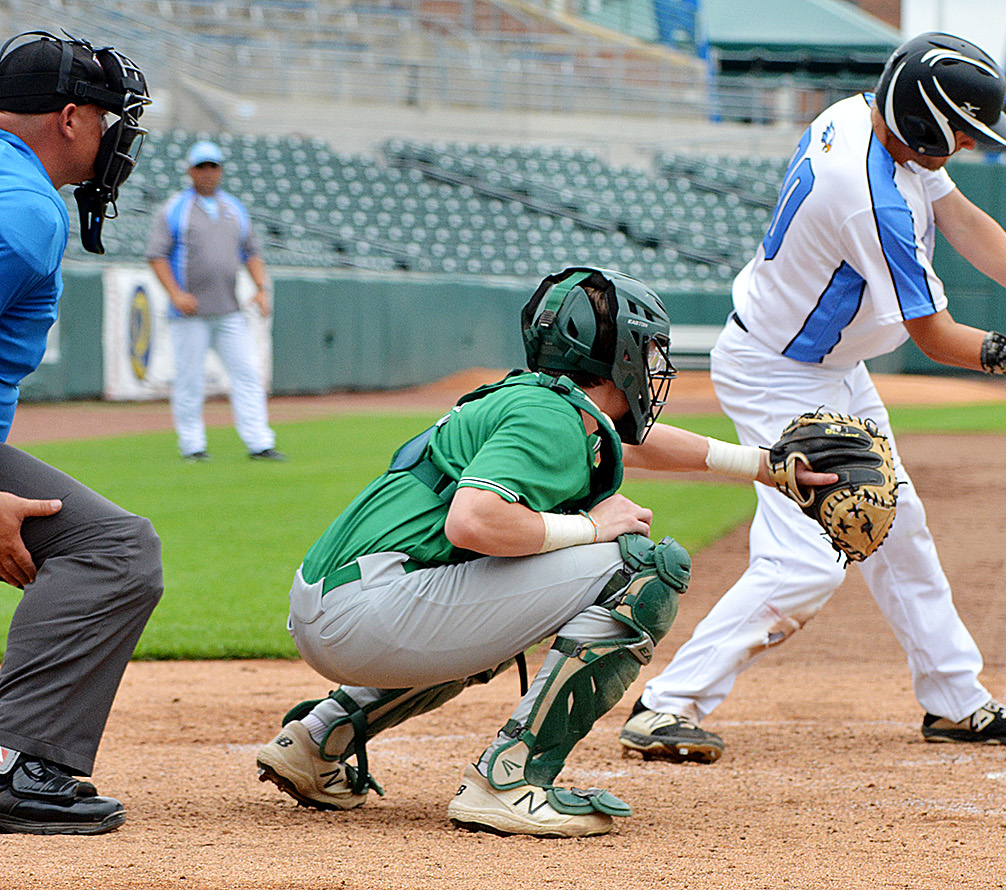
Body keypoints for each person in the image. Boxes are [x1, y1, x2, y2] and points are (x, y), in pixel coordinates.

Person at [620, 32, 1006, 765]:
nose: (969, 147)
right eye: (962, 133)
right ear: (922, 120)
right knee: (809, 561)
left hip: (832, 369)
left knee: (900, 523)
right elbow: (937, 339)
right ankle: (668, 704)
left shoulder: (868, 117)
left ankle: (955, 701)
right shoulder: (869, 199)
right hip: (779, 374)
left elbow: (964, 219)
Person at [252, 266, 834, 837]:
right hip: (371, 610)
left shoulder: (540, 404)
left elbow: (633, 446)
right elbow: (474, 521)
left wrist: (765, 465)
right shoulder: (551, 419)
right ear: (621, 356)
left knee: (517, 600)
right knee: (642, 567)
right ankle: (509, 780)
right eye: (648, 350)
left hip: (338, 604)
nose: (655, 367)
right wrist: (590, 526)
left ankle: (316, 739)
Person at [0, 31, 162, 835]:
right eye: (109, 119)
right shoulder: (23, 208)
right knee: (115, 551)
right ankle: (14, 762)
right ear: (70, 117)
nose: (115, 138)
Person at [146, 139, 283, 463]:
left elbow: (252, 252)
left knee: (248, 373)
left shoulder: (234, 208)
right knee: (190, 379)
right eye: (201, 166)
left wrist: (261, 287)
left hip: (229, 309)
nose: (208, 173)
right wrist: (176, 294)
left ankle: (259, 442)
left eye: (213, 166)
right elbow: (156, 255)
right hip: (189, 314)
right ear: (190, 170)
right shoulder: (176, 207)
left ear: (220, 171)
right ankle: (192, 445)